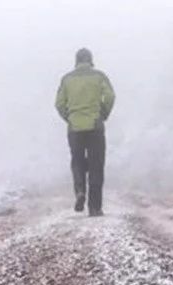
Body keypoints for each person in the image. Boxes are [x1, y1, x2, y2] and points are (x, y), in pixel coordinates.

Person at [55, 48, 115, 218]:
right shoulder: (99, 76)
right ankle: (95, 208)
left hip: (75, 128)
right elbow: (110, 96)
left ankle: (80, 191)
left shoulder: (66, 79)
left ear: (76, 61)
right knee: (96, 165)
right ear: (90, 60)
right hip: (95, 126)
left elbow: (59, 103)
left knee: (78, 162)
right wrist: (103, 113)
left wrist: (70, 117)